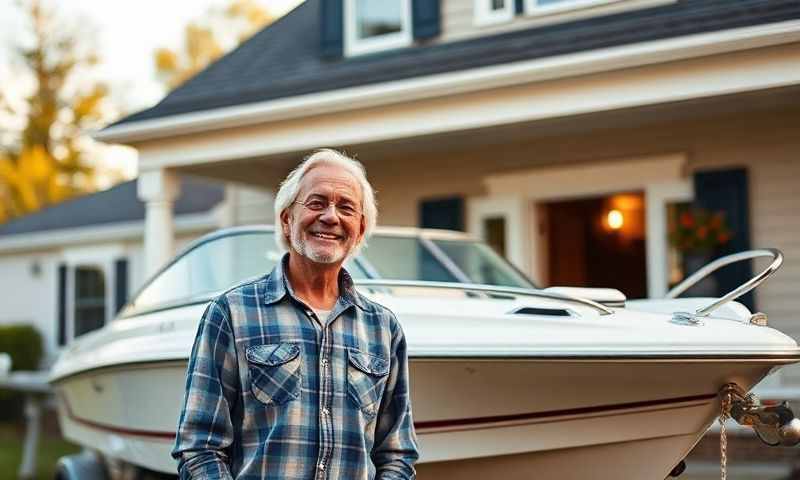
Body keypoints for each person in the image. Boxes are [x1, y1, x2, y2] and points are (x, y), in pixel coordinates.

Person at [172, 149, 419, 479]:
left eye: (346, 207)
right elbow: (198, 448)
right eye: (317, 203)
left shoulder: (383, 328)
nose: (331, 216)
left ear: (359, 230)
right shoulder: (231, 314)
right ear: (287, 219)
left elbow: (396, 454)